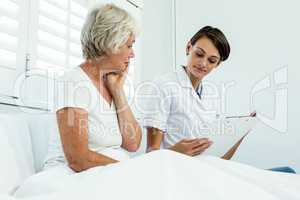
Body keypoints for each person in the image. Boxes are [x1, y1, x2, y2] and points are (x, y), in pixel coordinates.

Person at [44, 3, 142, 172]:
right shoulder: (73, 82)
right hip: (71, 175)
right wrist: (128, 170)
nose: (132, 54)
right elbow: (78, 159)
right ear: (110, 44)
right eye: (129, 45)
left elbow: (133, 144)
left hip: (104, 173)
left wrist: (118, 92)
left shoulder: (111, 84)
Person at [143, 26, 244, 159]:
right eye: (199, 54)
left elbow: (220, 157)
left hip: (208, 168)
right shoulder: (164, 85)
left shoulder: (210, 95)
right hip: (175, 169)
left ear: (217, 64)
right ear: (188, 48)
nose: (203, 63)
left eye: (212, 61)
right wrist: (175, 152)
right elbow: (151, 154)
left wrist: (241, 132)